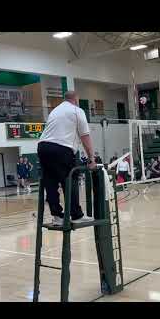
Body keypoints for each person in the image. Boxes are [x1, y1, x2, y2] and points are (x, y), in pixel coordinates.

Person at [38, 91, 96, 226]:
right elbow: (85, 136)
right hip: (62, 149)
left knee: (50, 181)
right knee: (70, 178)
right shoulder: (77, 111)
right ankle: (76, 215)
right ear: (76, 99)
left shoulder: (55, 111)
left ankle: (57, 216)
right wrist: (91, 159)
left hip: (42, 147)